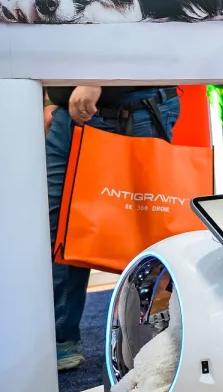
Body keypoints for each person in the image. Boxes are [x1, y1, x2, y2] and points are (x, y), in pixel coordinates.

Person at [46, 85, 181, 370]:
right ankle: (60, 339)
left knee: (147, 230)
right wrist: (48, 97)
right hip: (66, 113)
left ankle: (154, 340)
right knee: (59, 230)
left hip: (133, 108)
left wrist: (95, 79)